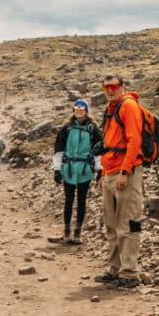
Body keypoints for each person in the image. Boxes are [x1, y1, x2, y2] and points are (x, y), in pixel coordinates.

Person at [93, 74, 146, 289]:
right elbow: (110, 144)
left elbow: (134, 141)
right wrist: (103, 174)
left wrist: (125, 171)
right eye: (105, 87)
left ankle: (130, 273)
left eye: (113, 86)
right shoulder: (111, 110)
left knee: (127, 222)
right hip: (110, 170)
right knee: (111, 224)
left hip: (127, 171)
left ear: (123, 87)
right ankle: (114, 268)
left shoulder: (128, 107)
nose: (109, 90)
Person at [53, 99, 103, 243]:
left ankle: (77, 233)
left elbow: (99, 151)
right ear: (73, 112)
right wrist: (57, 169)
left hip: (84, 169)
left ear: (86, 111)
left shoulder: (93, 129)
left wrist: (100, 169)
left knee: (81, 200)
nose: (79, 112)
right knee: (68, 200)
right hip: (68, 167)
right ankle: (67, 232)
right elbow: (59, 149)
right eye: (77, 110)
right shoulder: (66, 128)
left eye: (82, 110)